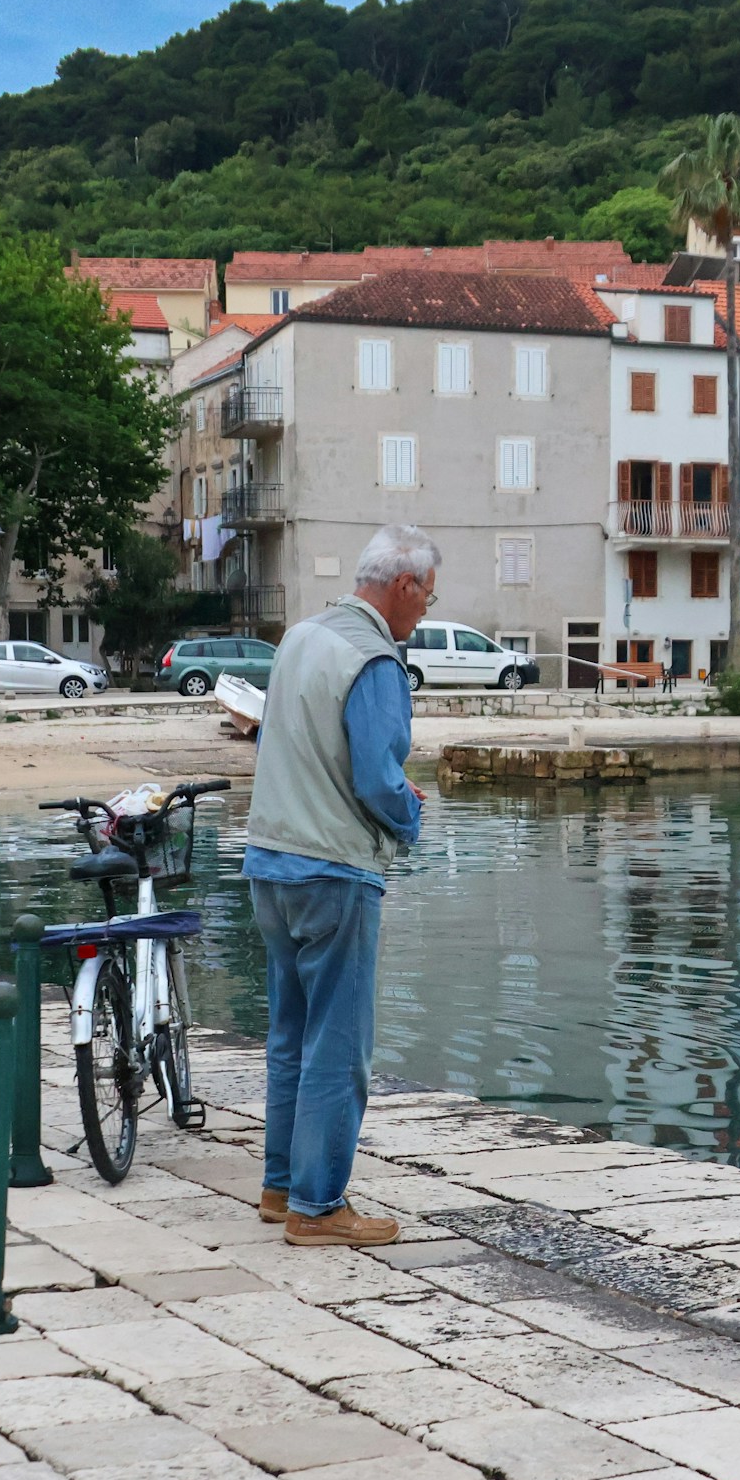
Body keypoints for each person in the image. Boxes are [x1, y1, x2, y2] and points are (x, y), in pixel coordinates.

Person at [243, 524, 437, 1247]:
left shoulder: (299, 638)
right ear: (404, 585)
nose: (423, 612)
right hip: (333, 869)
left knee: (290, 1034)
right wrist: (410, 816)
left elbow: (277, 741)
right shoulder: (374, 659)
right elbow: (378, 778)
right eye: (426, 597)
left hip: (269, 862)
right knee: (339, 1043)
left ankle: (279, 1186)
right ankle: (318, 1209)